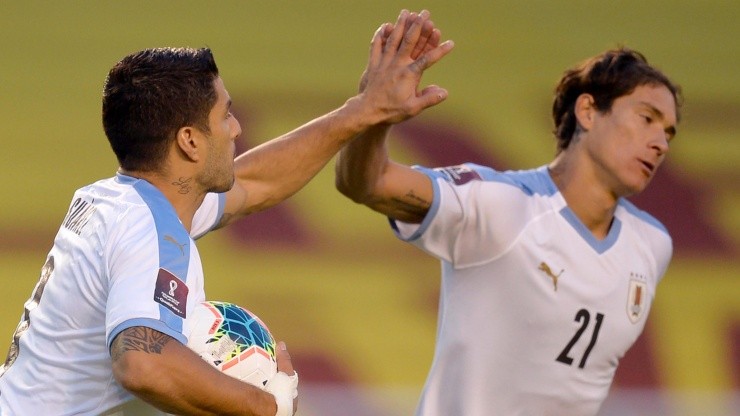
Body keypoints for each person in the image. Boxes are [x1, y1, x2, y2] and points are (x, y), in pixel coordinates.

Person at [0, 10, 453, 416]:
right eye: (225, 115)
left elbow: (256, 183)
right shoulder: (149, 230)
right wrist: (265, 406)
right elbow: (141, 363)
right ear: (189, 141)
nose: (237, 128)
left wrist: (363, 111)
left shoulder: (120, 198)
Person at [335, 46, 681, 415]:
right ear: (588, 112)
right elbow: (366, 183)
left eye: (668, 133)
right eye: (647, 118)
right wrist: (373, 111)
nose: (660, 143)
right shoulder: (501, 205)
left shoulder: (651, 244)